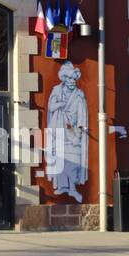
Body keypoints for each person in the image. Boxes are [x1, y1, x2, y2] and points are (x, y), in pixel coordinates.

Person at [46, 61, 88, 201]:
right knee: (60, 159)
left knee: (73, 161)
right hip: (59, 130)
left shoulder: (79, 95)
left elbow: (82, 114)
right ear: (64, 78)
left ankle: (72, 189)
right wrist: (60, 103)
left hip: (74, 133)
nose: (72, 81)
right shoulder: (57, 90)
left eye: (74, 78)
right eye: (69, 78)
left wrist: (80, 131)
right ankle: (61, 186)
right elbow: (51, 107)